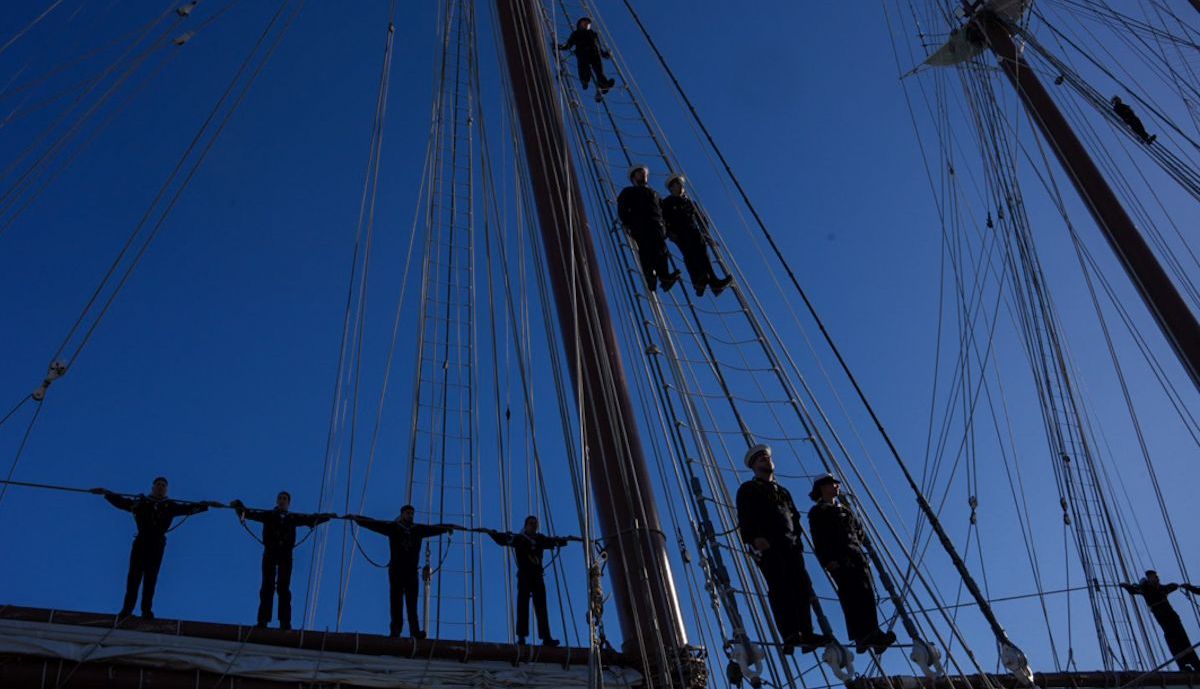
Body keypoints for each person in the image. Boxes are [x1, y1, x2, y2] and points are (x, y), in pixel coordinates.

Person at [735, 445, 832, 654]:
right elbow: (745, 517)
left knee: (802, 586)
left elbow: (794, 517)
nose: (765, 460)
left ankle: (806, 633)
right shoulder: (748, 489)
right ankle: (789, 634)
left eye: (767, 457)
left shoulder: (783, 492)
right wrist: (755, 539)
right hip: (768, 545)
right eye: (760, 458)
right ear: (753, 466)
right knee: (780, 587)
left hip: (790, 546)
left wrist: (798, 541)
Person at [91, 477, 220, 619]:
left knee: (150, 578)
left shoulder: (170, 506)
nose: (160, 487)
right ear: (152, 488)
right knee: (134, 576)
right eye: (158, 485)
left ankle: (146, 611)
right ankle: (127, 610)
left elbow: (188, 508)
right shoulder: (141, 503)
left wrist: (206, 505)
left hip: (157, 543)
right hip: (142, 540)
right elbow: (122, 502)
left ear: (166, 490)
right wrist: (106, 493)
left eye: (163, 486)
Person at [807, 474, 895, 654]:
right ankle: (861, 636)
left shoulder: (845, 510)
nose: (836, 486)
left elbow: (859, 532)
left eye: (836, 484)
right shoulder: (818, 512)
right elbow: (819, 539)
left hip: (856, 556)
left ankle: (872, 632)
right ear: (822, 487)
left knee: (866, 593)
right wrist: (828, 561)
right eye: (832, 484)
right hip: (839, 559)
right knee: (851, 595)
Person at [230, 491, 335, 630]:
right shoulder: (268, 515)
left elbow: (309, 519)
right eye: (279, 498)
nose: (281, 500)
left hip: (286, 554)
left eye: (284, 499)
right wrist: (240, 507)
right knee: (267, 585)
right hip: (270, 552)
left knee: (283, 588)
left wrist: (325, 517)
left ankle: (285, 622)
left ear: (288, 503)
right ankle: (263, 620)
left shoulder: (292, 517)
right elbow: (250, 513)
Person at [348, 505, 451, 639]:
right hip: (397, 570)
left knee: (411, 603)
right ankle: (396, 630)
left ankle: (415, 632)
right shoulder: (394, 528)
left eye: (412, 513)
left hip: (411, 571)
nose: (410, 516)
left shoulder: (418, 530)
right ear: (402, 514)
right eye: (408, 513)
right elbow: (375, 524)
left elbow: (434, 529)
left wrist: (447, 527)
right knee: (396, 601)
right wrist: (359, 520)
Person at [488, 515, 570, 646]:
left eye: (535, 523)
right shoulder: (519, 538)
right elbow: (503, 539)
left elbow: (552, 541)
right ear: (525, 525)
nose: (533, 525)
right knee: (523, 605)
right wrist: (492, 534)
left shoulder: (540, 539)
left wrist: (563, 540)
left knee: (541, 606)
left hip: (537, 576)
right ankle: (521, 637)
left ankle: (546, 637)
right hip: (525, 576)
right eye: (531, 523)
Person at [660, 174, 733, 297]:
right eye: (676, 185)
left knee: (704, 254)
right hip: (680, 233)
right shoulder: (667, 203)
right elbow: (663, 219)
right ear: (671, 188)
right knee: (690, 255)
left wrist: (706, 234)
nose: (679, 186)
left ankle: (714, 283)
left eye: (680, 184)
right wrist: (669, 233)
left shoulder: (690, 203)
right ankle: (697, 283)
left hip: (695, 231)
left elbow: (701, 219)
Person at [1121, 571, 1200, 671]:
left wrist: (1182, 586)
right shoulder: (1145, 589)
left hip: (1171, 616)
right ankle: (1183, 665)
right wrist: (1125, 586)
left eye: (1154, 577)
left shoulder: (1161, 588)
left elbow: (1172, 586)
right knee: (1173, 640)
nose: (1154, 578)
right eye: (1151, 577)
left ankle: (1195, 663)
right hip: (1164, 618)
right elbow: (1133, 590)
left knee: (1182, 638)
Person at [617, 165, 680, 292]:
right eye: (640, 173)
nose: (643, 174)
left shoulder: (655, 194)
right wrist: (626, 223)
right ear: (634, 177)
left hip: (657, 225)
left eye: (644, 172)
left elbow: (663, 211)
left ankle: (665, 277)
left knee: (661, 251)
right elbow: (622, 208)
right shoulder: (628, 192)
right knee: (646, 249)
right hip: (640, 224)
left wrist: (668, 228)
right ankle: (650, 276)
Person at [558, 17, 615, 100]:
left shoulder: (593, 34)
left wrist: (604, 54)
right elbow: (569, 45)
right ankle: (585, 80)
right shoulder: (576, 34)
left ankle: (604, 84)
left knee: (599, 71)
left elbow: (598, 46)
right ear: (579, 24)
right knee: (583, 67)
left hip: (595, 53)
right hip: (583, 53)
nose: (586, 25)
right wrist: (561, 47)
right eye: (584, 23)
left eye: (588, 24)